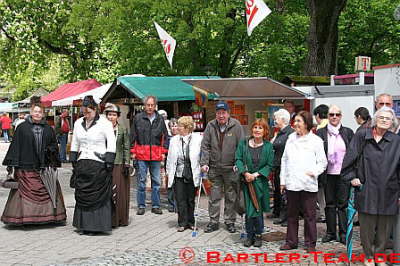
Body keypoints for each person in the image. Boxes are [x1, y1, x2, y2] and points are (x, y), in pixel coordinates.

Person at [341, 106, 400, 266]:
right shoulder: (362, 136)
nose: (385, 120)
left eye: (388, 118)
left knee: (384, 227)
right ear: (375, 119)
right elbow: (348, 161)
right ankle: (368, 255)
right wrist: (352, 178)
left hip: (390, 190)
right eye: (382, 117)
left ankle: (379, 256)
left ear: (392, 122)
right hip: (367, 189)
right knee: (367, 227)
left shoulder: (396, 141)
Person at [1, 96, 66, 225]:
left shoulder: (49, 129)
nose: (37, 114)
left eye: (40, 112)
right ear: (31, 112)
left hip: (44, 168)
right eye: (35, 111)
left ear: (43, 114)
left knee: (48, 189)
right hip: (26, 167)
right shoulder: (22, 128)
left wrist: (52, 155)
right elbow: (15, 146)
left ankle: (48, 218)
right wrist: (12, 164)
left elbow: (54, 145)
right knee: (23, 193)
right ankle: (25, 218)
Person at [279, 111, 327, 252]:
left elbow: (323, 162)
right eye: (295, 121)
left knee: (309, 215)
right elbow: (285, 160)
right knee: (292, 214)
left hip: (308, 183)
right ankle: (291, 241)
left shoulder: (316, 141)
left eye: (299, 121)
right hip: (292, 182)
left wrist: (314, 172)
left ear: (306, 123)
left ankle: (310, 243)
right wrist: (283, 180)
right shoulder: (290, 138)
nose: (295, 124)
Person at [70, 96, 116, 235]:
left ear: (95, 109)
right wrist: (73, 157)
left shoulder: (105, 123)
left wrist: (109, 161)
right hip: (83, 162)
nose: (86, 115)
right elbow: (75, 142)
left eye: (88, 112)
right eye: (84, 112)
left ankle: (97, 226)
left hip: (99, 163)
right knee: (82, 194)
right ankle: (83, 225)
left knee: (97, 195)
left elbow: (111, 142)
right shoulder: (78, 123)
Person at [200, 101, 244, 233]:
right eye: (218, 113)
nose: (221, 116)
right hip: (214, 167)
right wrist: (204, 163)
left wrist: (238, 163)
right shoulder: (210, 125)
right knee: (214, 196)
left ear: (228, 113)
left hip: (231, 168)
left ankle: (230, 221)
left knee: (231, 196)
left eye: (223, 113)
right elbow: (205, 146)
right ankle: (213, 221)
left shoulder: (236, 125)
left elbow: (241, 146)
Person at [316, 105, 354, 244]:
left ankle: (343, 233)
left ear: (341, 116)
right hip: (328, 174)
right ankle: (331, 232)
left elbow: (354, 153)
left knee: (342, 205)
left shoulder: (348, 132)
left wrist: (353, 173)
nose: (334, 117)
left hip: (343, 174)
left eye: (337, 114)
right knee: (329, 204)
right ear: (328, 116)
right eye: (331, 114)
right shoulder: (320, 133)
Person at [235, 118, 274, 247]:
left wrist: (256, 175)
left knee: (257, 209)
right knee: (249, 209)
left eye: (260, 128)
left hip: (260, 183)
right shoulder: (244, 143)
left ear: (265, 131)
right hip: (246, 182)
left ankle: (257, 235)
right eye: (255, 127)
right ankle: (250, 234)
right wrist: (245, 173)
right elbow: (238, 159)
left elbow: (270, 165)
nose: (257, 130)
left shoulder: (268, 146)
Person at [130, 96, 168, 215]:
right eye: (148, 105)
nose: (150, 107)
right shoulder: (138, 118)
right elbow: (133, 136)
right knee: (141, 181)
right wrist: (133, 152)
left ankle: (156, 205)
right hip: (141, 154)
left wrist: (163, 152)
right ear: (144, 105)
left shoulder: (160, 119)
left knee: (156, 182)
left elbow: (165, 137)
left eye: (152, 105)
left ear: (155, 105)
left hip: (156, 155)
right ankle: (141, 205)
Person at [166, 116, 202, 232]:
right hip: (178, 173)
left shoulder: (198, 139)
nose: (177, 128)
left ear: (187, 127)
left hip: (192, 171)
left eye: (180, 126)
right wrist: (168, 172)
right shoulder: (174, 140)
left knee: (190, 199)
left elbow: (202, 155)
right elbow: (170, 158)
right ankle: (182, 222)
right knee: (180, 199)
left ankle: (191, 222)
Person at [104, 103, 131, 227]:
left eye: (114, 115)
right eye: (109, 114)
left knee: (118, 191)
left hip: (118, 162)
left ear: (118, 116)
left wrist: (126, 163)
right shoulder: (102, 129)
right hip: (104, 162)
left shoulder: (122, 129)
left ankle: (119, 218)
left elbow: (126, 147)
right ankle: (106, 218)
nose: (111, 117)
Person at [270, 109, 294, 225]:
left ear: (283, 119)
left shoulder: (290, 133)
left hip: (286, 167)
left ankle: (286, 217)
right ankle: (278, 212)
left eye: (276, 119)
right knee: (278, 191)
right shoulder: (280, 132)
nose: (274, 121)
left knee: (285, 192)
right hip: (277, 166)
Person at [312, 104, 329, 223]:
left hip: (322, 168)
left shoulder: (319, 131)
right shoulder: (334, 127)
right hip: (335, 168)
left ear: (318, 115)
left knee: (321, 192)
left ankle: (324, 214)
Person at [166, 118, 179, 212]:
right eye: (172, 126)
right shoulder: (167, 138)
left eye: (175, 125)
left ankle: (177, 204)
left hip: (179, 164)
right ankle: (171, 203)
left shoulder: (181, 137)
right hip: (170, 163)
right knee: (170, 184)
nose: (174, 128)